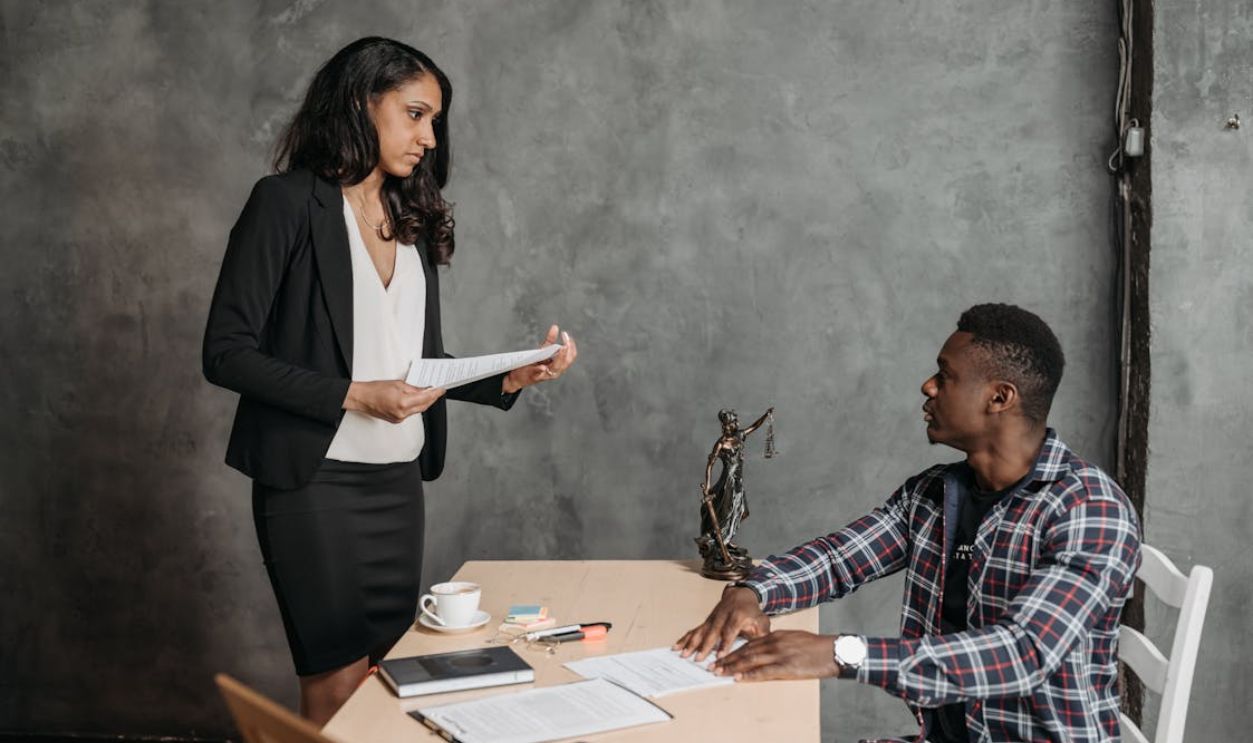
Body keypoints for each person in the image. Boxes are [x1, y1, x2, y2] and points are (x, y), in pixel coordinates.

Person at [202, 37, 577, 725]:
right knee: (337, 683)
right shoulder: (285, 203)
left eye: (434, 120)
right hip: (313, 484)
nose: (429, 137)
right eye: (414, 114)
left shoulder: (408, 218)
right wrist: (353, 393)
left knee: (386, 679)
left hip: (396, 485)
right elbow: (224, 353)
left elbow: (415, 362)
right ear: (359, 101)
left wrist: (507, 376)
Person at [675, 304, 1140, 743]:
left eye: (946, 375)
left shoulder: (1089, 511)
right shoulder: (936, 493)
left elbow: (1024, 653)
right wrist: (753, 591)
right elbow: (840, 560)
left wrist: (840, 653)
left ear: (999, 397)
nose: (928, 386)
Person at [696, 407, 774, 572]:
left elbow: (754, 427)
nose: (734, 425)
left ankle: (727, 538)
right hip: (728, 482)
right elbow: (710, 464)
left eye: (733, 423)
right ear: (726, 425)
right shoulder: (721, 443)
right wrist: (708, 486)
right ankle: (722, 541)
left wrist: (765, 416)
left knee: (741, 512)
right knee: (727, 511)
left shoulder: (739, 435)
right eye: (731, 423)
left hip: (738, 480)